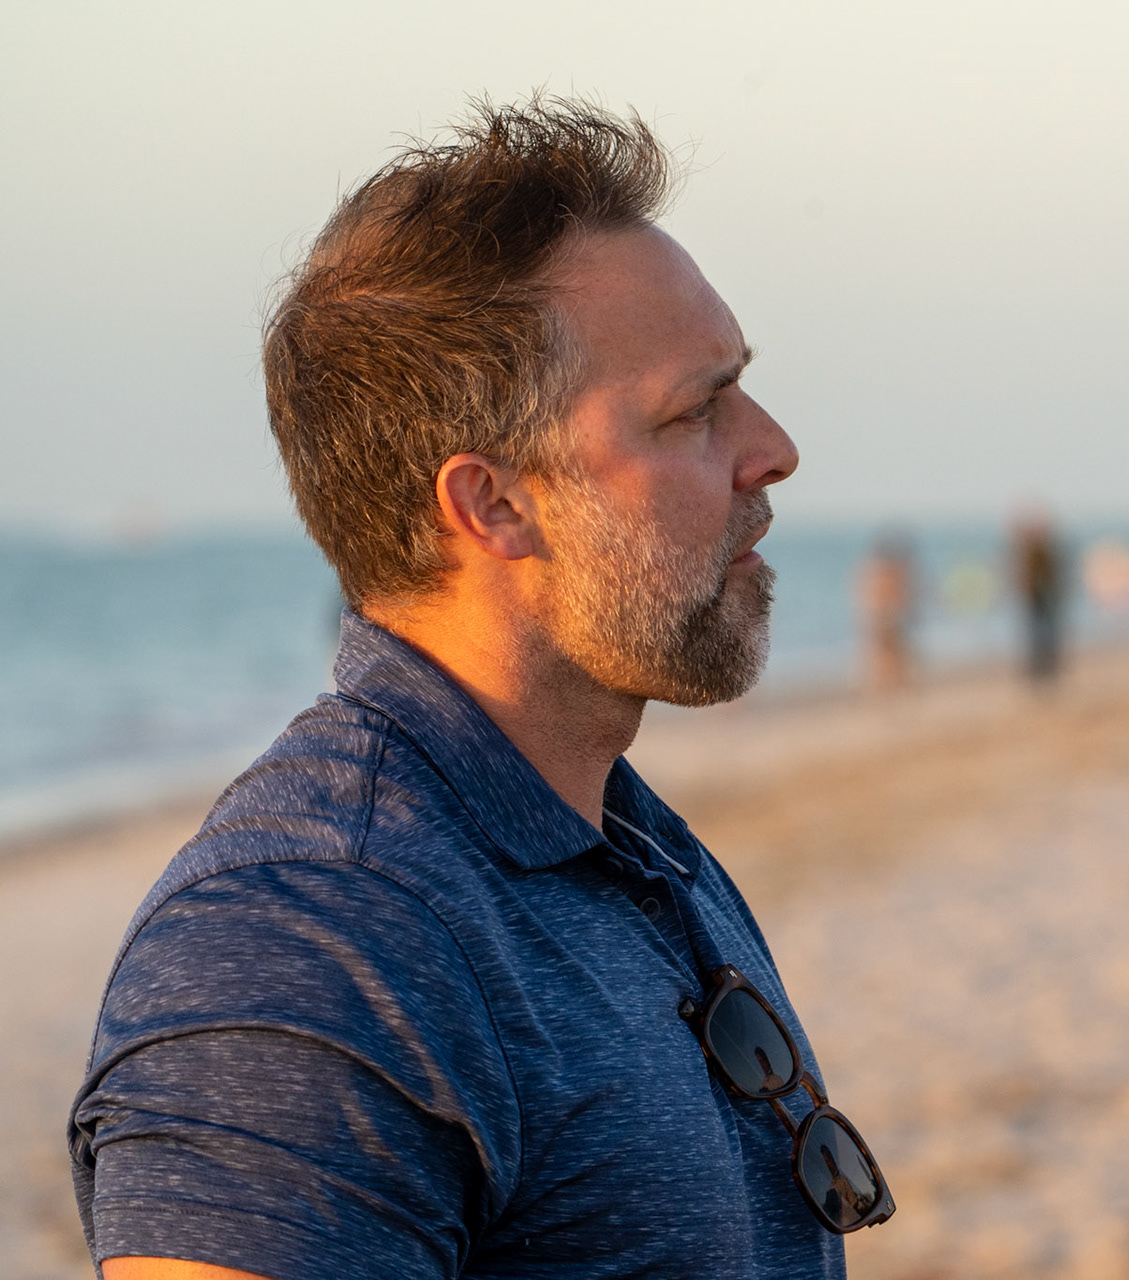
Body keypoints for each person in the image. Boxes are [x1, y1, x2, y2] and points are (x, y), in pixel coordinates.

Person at [67, 98, 891, 1280]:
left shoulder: (619, 843)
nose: (773, 448)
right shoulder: (311, 941)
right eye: (694, 410)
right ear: (494, 503)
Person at [856, 530, 917, 690]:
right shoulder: (887, 572)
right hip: (886, 618)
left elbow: (864, 597)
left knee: (887, 656)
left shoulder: (873, 571)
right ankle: (888, 686)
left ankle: (886, 686)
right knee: (888, 656)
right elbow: (901, 597)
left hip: (882, 618)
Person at [1012, 509, 1067, 683]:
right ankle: (1041, 667)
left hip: (1043, 598)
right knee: (1039, 634)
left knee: (1043, 634)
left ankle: (1045, 667)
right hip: (1037, 599)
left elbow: (1049, 575)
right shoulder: (1033, 550)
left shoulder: (1041, 551)